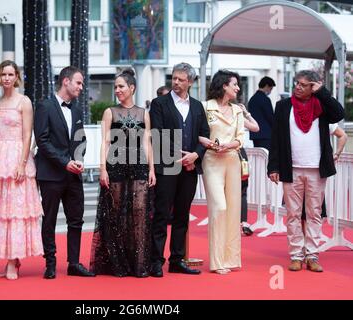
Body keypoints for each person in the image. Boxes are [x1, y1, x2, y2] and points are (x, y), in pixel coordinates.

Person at [267, 70, 344, 273]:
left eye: (303, 84)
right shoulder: (283, 107)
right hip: (290, 167)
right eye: (297, 83)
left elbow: (340, 113)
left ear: (313, 87)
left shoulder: (322, 106)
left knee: (314, 214)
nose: (298, 87)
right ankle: (295, 255)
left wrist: (323, 92)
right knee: (293, 214)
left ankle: (312, 255)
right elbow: (275, 139)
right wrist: (273, 166)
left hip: (316, 168)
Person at [0, 60, 43, 280]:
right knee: (2, 212)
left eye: (10, 74)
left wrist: (22, 163)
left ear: (17, 77)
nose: (7, 78)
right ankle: (10, 257)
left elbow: (27, 136)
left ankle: (12, 262)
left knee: (16, 211)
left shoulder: (24, 102)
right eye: (3, 74)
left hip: (16, 157)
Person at [90, 68, 156, 277]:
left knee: (139, 213)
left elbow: (148, 143)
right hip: (115, 166)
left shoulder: (144, 113)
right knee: (117, 214)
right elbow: (105, 142)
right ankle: (117, 263)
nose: (117, 90)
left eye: (121, 86)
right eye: (116, 87)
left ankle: (139, 264)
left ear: (132, 88)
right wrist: (103, 169)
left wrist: (152, 169)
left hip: (139, 166)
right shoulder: (110, 112)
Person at [34, 66, 95, 279]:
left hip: (73, 174)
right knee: (49, 219)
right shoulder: (44, 106)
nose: (81, 86)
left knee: (76, 220)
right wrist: (64, 162)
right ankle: (50, 263)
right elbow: (42, 140)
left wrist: (78, 159)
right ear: (66, 81)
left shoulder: (77, 110)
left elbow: (81, 139)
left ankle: (74, 263)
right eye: (78, 82)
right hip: (51, 173)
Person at [149, 62, 210, 277]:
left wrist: (195, 155)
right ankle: (156, 261)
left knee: (182, 216)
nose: (175, 82)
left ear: (190, 82)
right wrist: (179, 157)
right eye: (173, 78)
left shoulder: (197, 106)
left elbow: (204, 135)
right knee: (161, 214)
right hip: (167, 167)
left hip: (190, 168)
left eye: (180, 79)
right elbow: (157, 133)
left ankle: (177, 259)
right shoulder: (159, 104)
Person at [198, 69, 244, 275]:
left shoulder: (237, 111)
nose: (237, 88)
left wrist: (229, 145)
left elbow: (241, 137)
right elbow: (198, 133)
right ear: (224, 85)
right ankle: (217, 261)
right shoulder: (205, 107)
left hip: (232, 160)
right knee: (219, 208)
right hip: (212, 161)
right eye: (234, 84)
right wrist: (207, 143)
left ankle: (231, 258)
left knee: (233, 210)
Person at [301, 123, 348, 222]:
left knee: (314, 207)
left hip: (318, 169)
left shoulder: (325, 119)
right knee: (299, 209)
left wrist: (336, 154)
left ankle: (311, 235)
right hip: (297, 167)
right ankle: (305, 235)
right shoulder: (294, 115)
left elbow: (343, 135)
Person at [238, 103, 260, 236]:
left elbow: (256, 127)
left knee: (240, 190)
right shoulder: (236, 113)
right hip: (238, 154)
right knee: (241, 191)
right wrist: (246, 113)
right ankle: (243, 222)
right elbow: (256, 127)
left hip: (236, 154)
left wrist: (245, 113)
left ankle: (241, 222)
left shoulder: (235, 113)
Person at [248, 76, 276, 151]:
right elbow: (270, 117)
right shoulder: (265, 99)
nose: (270, 91)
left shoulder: (252, 99)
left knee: (259, 159)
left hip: (255, 134)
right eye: (271, 89)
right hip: (266, 135)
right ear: (266, 86)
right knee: (267, 157)